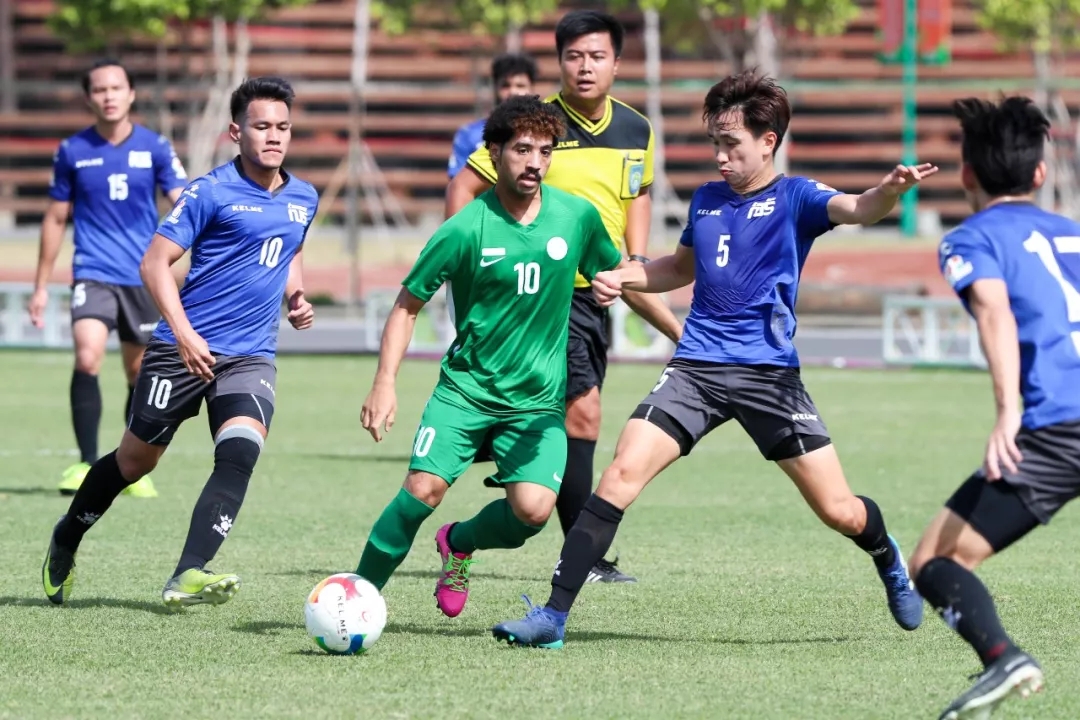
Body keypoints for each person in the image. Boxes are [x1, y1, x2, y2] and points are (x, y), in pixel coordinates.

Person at [492, 70, 937, 649]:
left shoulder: (797, 197)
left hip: (768, 376)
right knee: (621, 474)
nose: (721, 156)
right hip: (696, 368)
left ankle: (887, 556)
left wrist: (891, 192)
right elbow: (678, 270)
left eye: (732, 144)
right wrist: (623, 276)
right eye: (715, 144)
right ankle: (553, 617)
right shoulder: (706, 199)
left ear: (768, 142)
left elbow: (858, 207)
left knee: (839, 511)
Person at [41, 76, 318, 611]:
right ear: (235, 132)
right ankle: (67, 534)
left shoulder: (303, 196)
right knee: (134, 463)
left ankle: (188, 571)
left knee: (240, 451)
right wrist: (185, 333)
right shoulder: (208, 191)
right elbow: (154, 264)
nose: (274, 136)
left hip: (250, 355)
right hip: (180, 350)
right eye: (262, 126)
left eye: (282, 127)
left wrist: (296, 295)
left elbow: (290, 250)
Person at [356, 94, 623, 619]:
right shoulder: (464, 229)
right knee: (422, 490)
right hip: (466, 392)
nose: (535, 162)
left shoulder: (576, 217)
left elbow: (618, 274)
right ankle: (357, 595)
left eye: (545, 151)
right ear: (494, 152)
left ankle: (458, 543)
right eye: (522, 149)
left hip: (536, 404)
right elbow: (407, 306)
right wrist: (384, 383)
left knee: (532, 513)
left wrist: (672, 323)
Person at [446, 9, 683, 584]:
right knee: (584, 411)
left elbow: (638, 191)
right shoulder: (538, 126)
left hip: (599, 290)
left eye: (597, 56)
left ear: (617, 63)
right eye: (573, 56)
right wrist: (469, 258)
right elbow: (464, 185)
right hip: (545, 293)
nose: (585, 66)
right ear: (558, 63)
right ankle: (584, 555)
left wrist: (636, 257)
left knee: (570, 413)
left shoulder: (636, 129)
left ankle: (500, 448)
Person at [905, 96, 1064, 719]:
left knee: (935, 561)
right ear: (1040, 174)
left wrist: (1007, 411)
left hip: (1060, 429)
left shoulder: (970, 239)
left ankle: (1002, 657)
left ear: (966, 173)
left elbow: (995, 311)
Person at [28, 58, 189, 498]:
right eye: (100, 89)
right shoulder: (72, 151)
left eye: (116, 88)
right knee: (87, 356)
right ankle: (84, 463)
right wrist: (41, 286)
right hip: (93, 271)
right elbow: (55, 218)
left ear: (131, 94)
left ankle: (128, 466)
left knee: (138, 371)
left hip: (142, 277)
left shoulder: (155, 147)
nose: (109, 96)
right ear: (88, 98)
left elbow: (184, 203)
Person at [448, 52, 537, 180]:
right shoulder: (469, 134)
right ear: (495, 88)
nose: (512, 91)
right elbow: (457, 184)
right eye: (505, 85)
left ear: (531, 88)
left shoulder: (543, 134)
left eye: (520, 85)